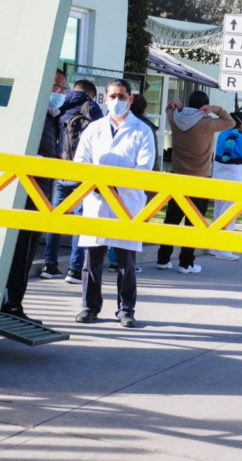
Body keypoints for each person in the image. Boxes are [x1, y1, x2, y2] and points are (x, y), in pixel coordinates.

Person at [72, 78, 155, 328]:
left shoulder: (142, 131)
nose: (117, 101)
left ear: (130, 99)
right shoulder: (94, 128)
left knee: (126, 262)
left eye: (122, 96)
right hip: (96, 200)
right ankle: (90, 306)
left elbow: (144, 168)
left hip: (127, 202)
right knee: (91, 259)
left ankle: (126, 309)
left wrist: (116, 186)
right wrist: (97, 184)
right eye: (112, 96)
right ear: (105, 99)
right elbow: (80, 161)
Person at [0, 69, 68, 324]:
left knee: (26, 254)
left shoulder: (51, 118)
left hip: (42, 195)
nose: (58, 93)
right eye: (55, 87)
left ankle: (14, 303)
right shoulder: (32, 117)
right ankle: (11, 305)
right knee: (19, 252)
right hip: (27, 196)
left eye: (62, 88)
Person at [156, 91, 234, 273]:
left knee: (172, 219)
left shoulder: (176, 119)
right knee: (194, 221)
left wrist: (175, 104)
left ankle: (163, 258)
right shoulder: (207, 123)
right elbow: (231, 122)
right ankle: (186, 262)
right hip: (200, 178)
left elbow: (169, 108)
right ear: (204, 107)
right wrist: (215, 109)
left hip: (178, 176)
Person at [41, 78, 103, 284]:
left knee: (56, 218)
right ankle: (74, 270)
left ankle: (49, 265)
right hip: (82, 172)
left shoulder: (59, 105)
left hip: (61, 169)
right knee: (79, 220)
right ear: (91, 94)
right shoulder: (92, 108)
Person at [208, 111, 242, 261]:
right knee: (229, 212)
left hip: (219, 174)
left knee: (218, 210)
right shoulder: (239, 138)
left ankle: (213, 246)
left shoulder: (222, 134)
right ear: (241, 124)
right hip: (233, 176)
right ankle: (224, 249)